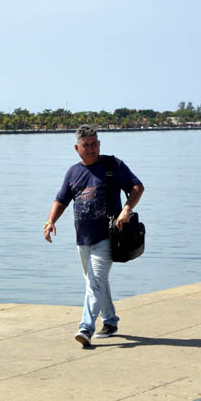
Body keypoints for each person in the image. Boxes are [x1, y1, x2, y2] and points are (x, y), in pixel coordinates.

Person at [44, 126, 144, 348]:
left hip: (107, 236)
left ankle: (85, 328)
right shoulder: (72, 172)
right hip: (83, 239)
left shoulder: (112, 165)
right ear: (77, 148)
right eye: (85, 145)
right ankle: (109, 321)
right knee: (96, 282)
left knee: (95, 282)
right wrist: (51, 221)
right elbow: (61, 199)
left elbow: (137, 187)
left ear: (99, 144)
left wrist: (127, 208)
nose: (90, 149)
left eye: (94, 144)